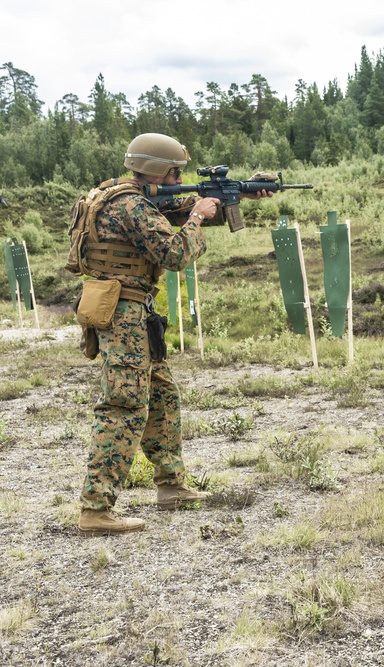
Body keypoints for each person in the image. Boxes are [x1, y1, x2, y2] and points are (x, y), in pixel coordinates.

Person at [76, 132, 266, 535]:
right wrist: (197, 217)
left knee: (161, 395)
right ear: (157, 172)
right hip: (123, 313)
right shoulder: (131, 206)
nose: (180, 182)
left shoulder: (130, 197)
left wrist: (237, 195)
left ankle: (170, 486)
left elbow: (172, 211)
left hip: (131, 311)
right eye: (176, 174)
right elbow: (175, 254)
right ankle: (96, 508)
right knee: (124, 405)